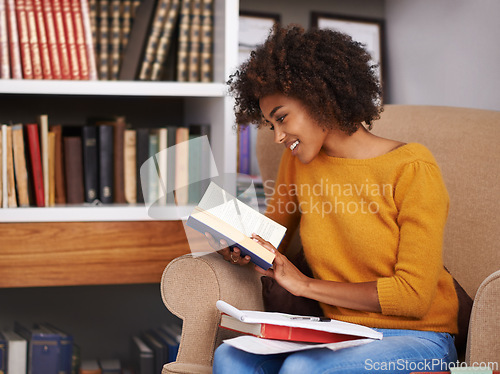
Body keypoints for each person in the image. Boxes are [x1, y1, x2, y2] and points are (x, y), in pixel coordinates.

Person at [208, 24, 459, 374]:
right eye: (271, 125)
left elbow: (412, 297)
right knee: (229, 358)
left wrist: (306, 286)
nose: (279, 136)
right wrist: (239, 245)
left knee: (302, 369)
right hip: (338, 335)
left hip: (419, 339)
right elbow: (271, 237)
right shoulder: (298, 163)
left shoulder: (413, 168)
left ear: (320, 98)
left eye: (281, 118)